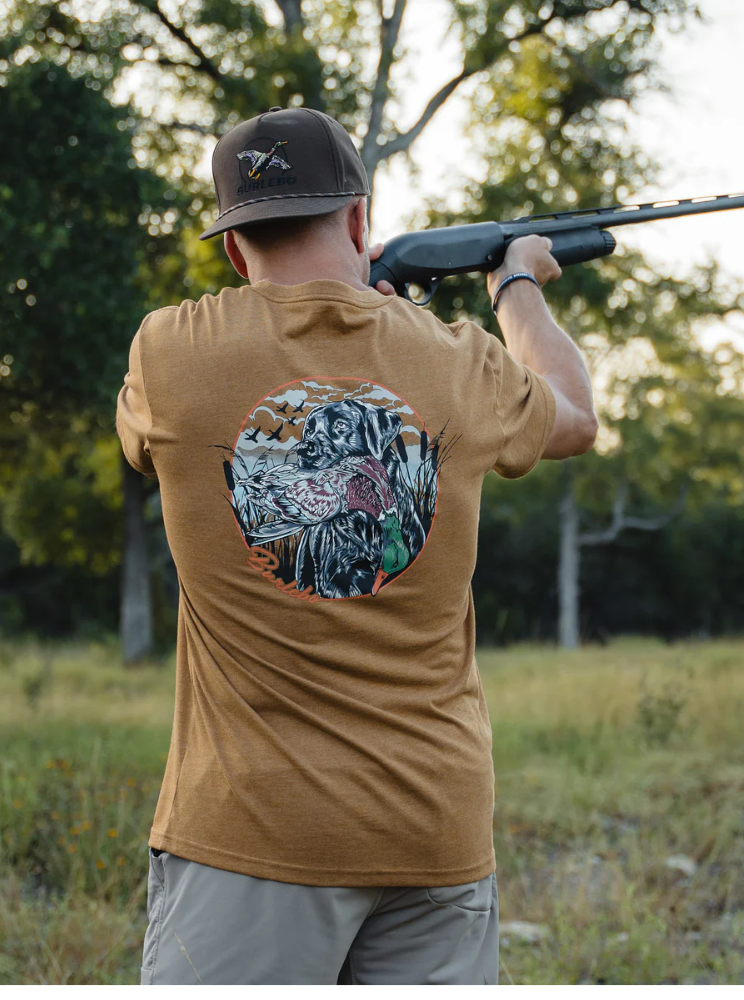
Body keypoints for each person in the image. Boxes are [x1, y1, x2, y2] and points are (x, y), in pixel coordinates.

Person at [117, 106, 597, 987]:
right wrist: (515, 283)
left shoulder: (168, 353)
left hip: (249, 835)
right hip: (434, 828)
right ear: (357, 219)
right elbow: (574, 417)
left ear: (233, 247)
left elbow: (142, 444)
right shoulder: (462, 363)